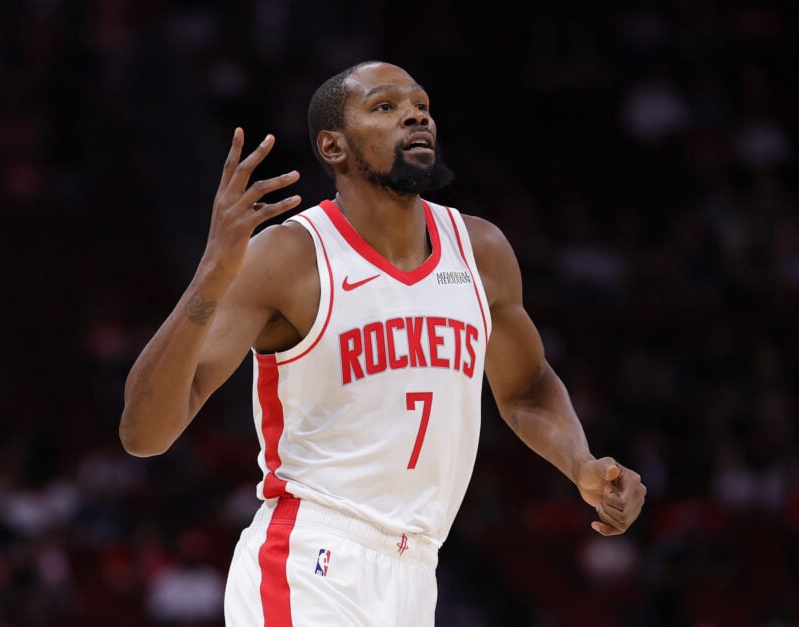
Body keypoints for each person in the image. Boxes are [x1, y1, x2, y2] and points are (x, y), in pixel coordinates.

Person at [119, 60, 647, 626]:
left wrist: (581, 463)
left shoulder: (481, 250)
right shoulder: (290, 257)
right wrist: (210, 275)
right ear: (334, 146)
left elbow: (529, 388)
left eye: (421, 105)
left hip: (416, 571)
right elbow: (144, 435)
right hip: (311, 560)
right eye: (386, 106)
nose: (416, 116)